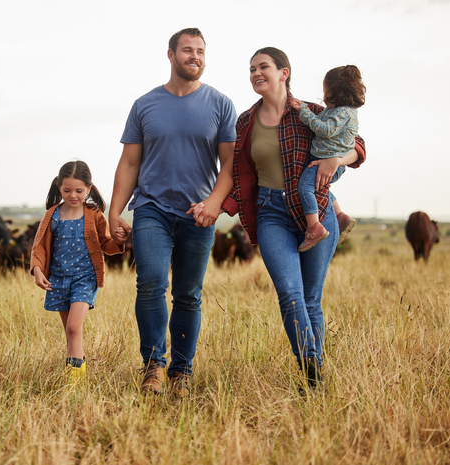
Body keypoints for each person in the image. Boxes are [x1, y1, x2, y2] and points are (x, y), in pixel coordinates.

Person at [220, 47, 366, 390]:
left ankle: (313, 384)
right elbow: (234, 172)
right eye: (252, 68)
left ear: (284, 72)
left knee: (312, 298)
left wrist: (337, 161)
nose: (256, 72)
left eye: (264, 66)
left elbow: (357, 144)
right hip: (271, 213)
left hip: (316, 211)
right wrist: (218, 205)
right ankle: (312, 369)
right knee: (290, 294)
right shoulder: (245, 122)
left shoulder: (313, 113)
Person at [109, 28, 237, 398]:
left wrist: (214, 204)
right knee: (150, 283)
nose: (194, 56)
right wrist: (115, 213)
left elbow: (229, 165)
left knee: (188, 295)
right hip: (152, 208)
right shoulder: (145, 104)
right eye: (187, 50)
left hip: (199, 214)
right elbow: (130, 163)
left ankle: (181, 372)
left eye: (199, 51)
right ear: (170, 55)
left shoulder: (220, 104)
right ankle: (152, 366)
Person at [30, 161, 127, 386]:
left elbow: (107, 244)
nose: (73, 195)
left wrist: (119, 241)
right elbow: (40, 247)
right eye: (67, 190)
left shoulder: (94, 214)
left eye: (79, 191)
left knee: (74, 327)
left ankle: (74, 385)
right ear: (59, 188)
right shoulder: (51, 215)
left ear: (89, 189)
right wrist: (37, 269)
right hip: (58, 279)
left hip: (85, 278)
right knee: (70, 331)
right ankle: (74, 375)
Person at [291, 65, 366, 252]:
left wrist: (305, 111)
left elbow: (325, 129)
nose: (323, 95)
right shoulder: (338, 112)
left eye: (325, 91)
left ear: (336, 92)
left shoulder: (343, 113)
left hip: (326, 161)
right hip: (324, 159)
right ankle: (340, 216)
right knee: (319, 187)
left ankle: (314, 227)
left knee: (305, 188)